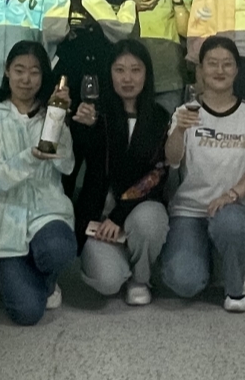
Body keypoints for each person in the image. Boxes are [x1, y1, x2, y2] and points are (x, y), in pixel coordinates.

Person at [160, 36, 245, 313]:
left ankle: (235, 286)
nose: (219, 70)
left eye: (227, 64)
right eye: (212, 64)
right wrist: (179, 130)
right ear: (200, 70)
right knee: (183, 281)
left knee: (230, 224)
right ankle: (213, 259)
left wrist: (231, 195)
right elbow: (172, 159)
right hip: (189, 211)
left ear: (237, 70)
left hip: (235, 208)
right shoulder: (185, 112)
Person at [0, 41, 78, 326]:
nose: (26, 79)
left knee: (59, 248)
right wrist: (30, 157)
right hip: (6, 218)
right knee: (28, 312)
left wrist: (60, 121)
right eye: (19, 70)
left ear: (43, 76)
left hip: (47, 211)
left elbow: (67, 165)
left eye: (34, 72)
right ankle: (7, 273)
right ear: (7, 71)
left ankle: (40, 274)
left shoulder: (50, 113)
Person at [69, 39, 171, 306]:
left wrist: (119, 215)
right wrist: (85, 127)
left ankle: (140, 278)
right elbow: (82, 162)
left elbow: (157, 175)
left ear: (147, 74)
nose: (127, 78)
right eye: (119, 70)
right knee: (108, 281)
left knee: (149, 222)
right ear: (109, 73)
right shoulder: (96, 113)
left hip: (139, 209)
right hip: (100, 219)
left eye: (136, 70)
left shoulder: (160, 117)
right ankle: (121, 262)